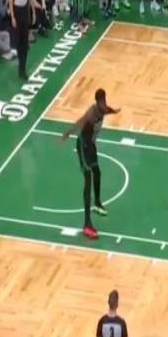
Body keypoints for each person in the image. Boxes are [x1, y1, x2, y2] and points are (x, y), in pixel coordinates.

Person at [61, 89, 121, 239]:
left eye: (104, 101)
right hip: (83, 145)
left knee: (97, 172)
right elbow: (79, 122)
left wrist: (114, 111)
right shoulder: (91, 115)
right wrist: (68, 133)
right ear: (97, 102)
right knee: (88, 178)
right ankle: (87, 223)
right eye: (101, 102)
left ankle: (98, 203)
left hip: (91, 145)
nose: (104, 104)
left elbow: (107, 110)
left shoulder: (103, 109)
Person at [8, 0, 34, 80]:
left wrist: (33, 11)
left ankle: (23, 68)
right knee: (19, 41)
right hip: (17, 10)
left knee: (25, 41)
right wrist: (12, 16)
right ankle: (20, 67)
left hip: (24, 10)